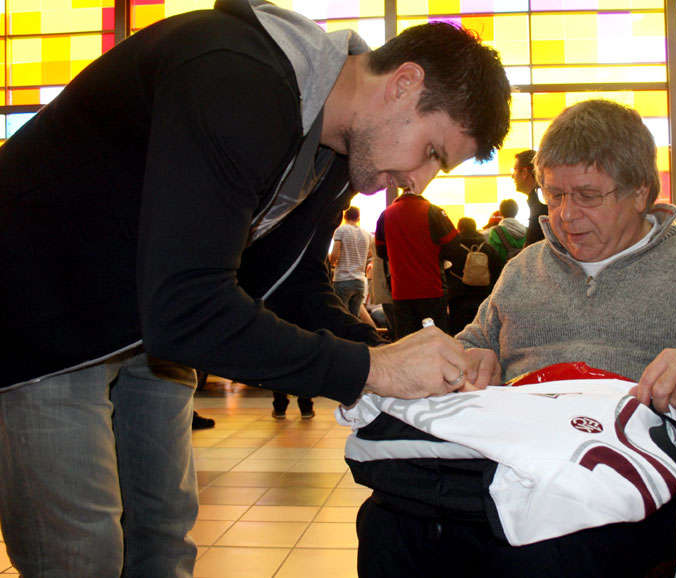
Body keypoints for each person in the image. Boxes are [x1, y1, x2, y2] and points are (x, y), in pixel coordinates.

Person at [0, 0, 511, 574]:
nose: (420, 180)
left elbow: (286, 284)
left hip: (143, 321)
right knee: (81, 551)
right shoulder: (239, 76)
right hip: (42, 310)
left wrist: (386, 352)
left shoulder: (331, 151)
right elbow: (189, 308)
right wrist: (374, 370)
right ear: (403, 83)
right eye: (433, 152)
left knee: (164, 530)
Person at [352, 99, 676, 577]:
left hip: (631, 480)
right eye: (554, 194)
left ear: (641, 192)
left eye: (588, 195)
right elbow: (473, 342)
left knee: (536, 553)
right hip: (520, 462)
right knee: (388, 524)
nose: (566, 215)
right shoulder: (525, 269)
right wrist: (471, 358)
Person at [375, 190, 460, 337]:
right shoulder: (433, 211)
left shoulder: (385, 215)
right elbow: (454, 246)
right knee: (436, 338)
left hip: (401, 292)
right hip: (432, 288)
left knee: (406, 341)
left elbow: (381, 252)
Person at [446, 217, 503, 336]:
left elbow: (447, 272)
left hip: (459, 298)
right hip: (485, 297)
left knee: (458, 336)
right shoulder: (488, 248)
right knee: (483, 335)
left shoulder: (454, 250)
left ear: (459, 229)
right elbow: (499, 272)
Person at [330, 205, 372, 317]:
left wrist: (332, 260)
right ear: (358, 218)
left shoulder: (341, 230)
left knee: (341, 317)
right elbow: (370, 253)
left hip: (343, 279)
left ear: (344, 216)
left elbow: (334, 255)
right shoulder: (367, 234)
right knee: (355, 318)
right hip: (360, 281)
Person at [512, 149, 547, 246]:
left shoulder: (542, 204)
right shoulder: (539, 200)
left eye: (515, 170)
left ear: (524, 173)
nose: (512, 176)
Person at [486, 198, 527, 263]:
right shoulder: (527, 231)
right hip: (523, 268)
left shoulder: (495, 232)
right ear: (516, 212)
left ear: (501, 213)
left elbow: (493, 256)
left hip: (504, 270)